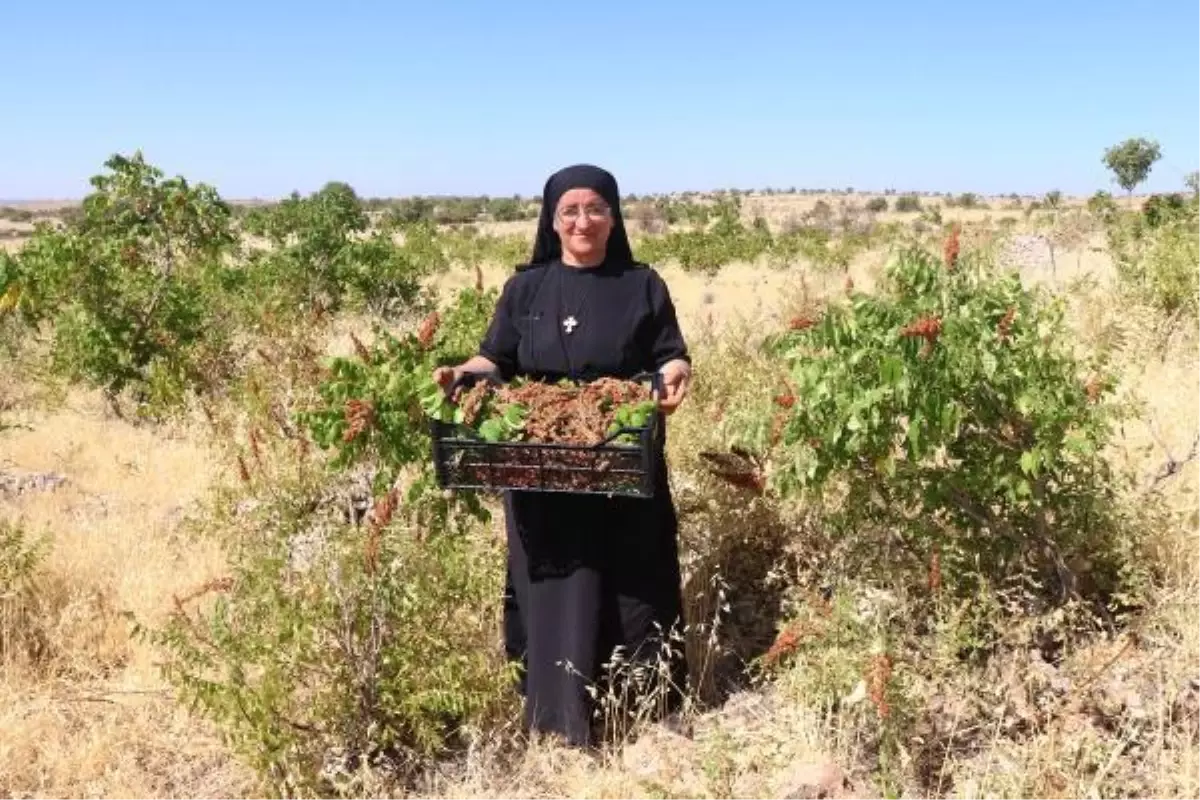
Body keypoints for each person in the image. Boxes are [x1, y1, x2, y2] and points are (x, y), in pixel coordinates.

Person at [432, 164, 692, 747]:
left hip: (622, 458)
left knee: (635, 580)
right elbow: (494, 360)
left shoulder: (643, 283)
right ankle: (559, 721)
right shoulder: (526, 287)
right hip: (542, 465)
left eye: (595, 208)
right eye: (570, 211)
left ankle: (644, 713)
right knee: (556, 583)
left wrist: (675, 376)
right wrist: (459, 374)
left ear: (614, 216)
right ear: (552, 221)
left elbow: (671, 355)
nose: (583, 221)